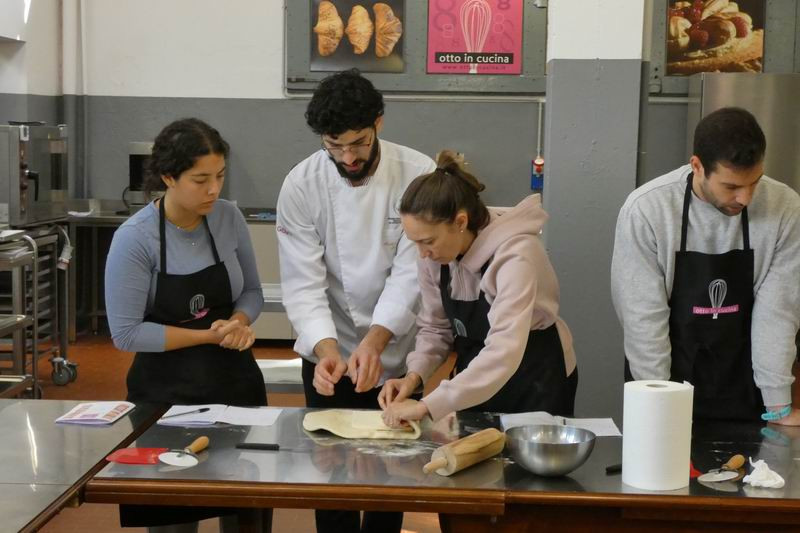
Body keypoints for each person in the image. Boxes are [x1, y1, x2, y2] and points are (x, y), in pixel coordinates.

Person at [276, 69, 434, 533]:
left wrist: (375, 343)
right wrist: (328, 350)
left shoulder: (417, 174)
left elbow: (412, 275)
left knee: (393, 474)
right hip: (330, 349)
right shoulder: (301, 185)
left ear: (378, 123)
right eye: (335, 146)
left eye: (359, 143)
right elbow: (303, 283)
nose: (348, 157)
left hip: (396, 349)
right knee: (331, 474)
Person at [105, 118, 270, 532]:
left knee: (246, 511)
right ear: (168, 177)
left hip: (236, 386)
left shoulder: (229, 218)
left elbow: (253, 292)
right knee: (172, 516)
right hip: (165, 397)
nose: (214, 189)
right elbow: (126, 333)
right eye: (200, 180)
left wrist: (238, 321)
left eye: (220, 176)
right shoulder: (135, 238)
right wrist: (207, 335)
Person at [611, 107, 800, 424]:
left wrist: (777, 404)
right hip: (666, 381)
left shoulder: (785, 208)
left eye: (754, 182)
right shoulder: (648, 210)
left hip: (745, 384)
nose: (746, 198)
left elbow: (778, 313)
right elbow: (644, 322)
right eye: (731, 186)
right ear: (697, 166)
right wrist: (659, 409)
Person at [379, 150, 578, 428]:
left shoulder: (515, 255)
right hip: (474, 376)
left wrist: (428, 406)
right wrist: (413, 377)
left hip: (534, 377)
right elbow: (435, 328)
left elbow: (504, 350)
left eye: (428, 241)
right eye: (416, 243)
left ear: (460, 222)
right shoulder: (434, 258)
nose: (422, 254)